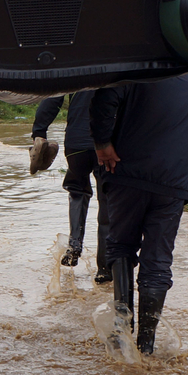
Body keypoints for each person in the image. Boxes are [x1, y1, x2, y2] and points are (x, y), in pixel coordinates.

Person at [90, 74, 188, 355]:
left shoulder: (134, 72)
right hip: (172, 184)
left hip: (126, 173)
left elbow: (103, 101)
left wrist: (102, 143)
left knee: (120, 246)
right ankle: (146, 347)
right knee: (158, 261)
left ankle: (122, 333)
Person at [32, 90, 110, 280]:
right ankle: (104, 269)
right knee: (107, 201)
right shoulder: (116, 65)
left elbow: (53, 96)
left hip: (76, 144)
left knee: (77, 191)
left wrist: (39, 131)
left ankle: (74, 245)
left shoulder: (77, 65)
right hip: (108, 145)